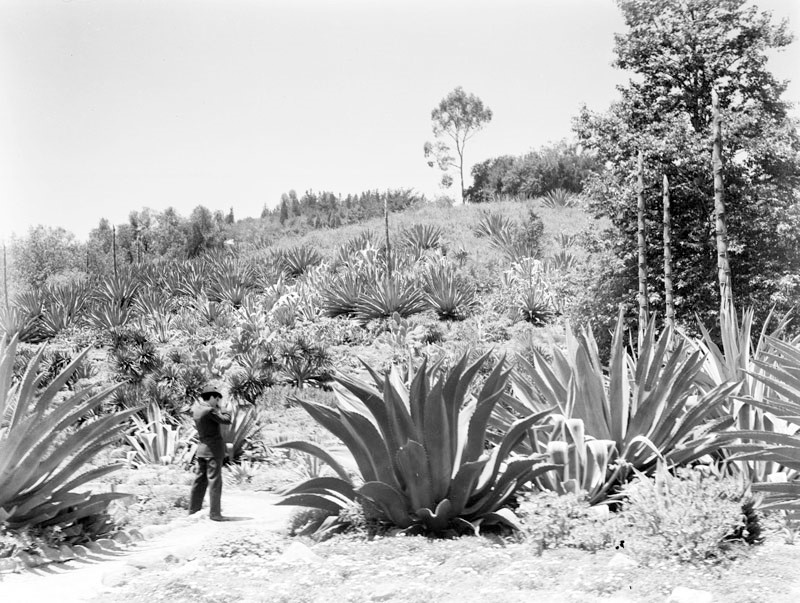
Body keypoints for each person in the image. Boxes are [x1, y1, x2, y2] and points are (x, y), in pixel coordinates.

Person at [189, 383, 232, 521]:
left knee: (199, 482)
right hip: (213, 451)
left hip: (201, 450)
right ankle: (215, 514)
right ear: (212, 397)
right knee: (214, 482)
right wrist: (224, 408)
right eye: (217, 398)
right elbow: (226, 420)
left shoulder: (196, 409)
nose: (217, 401)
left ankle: (193, 510)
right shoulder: (209, 410)